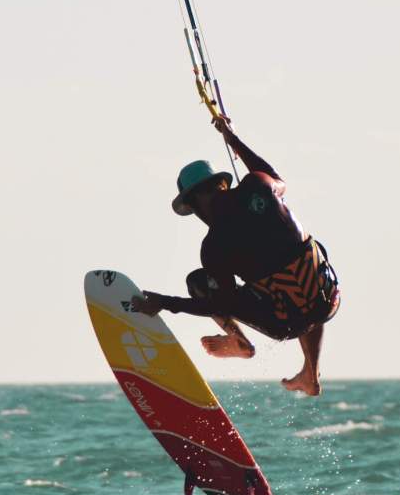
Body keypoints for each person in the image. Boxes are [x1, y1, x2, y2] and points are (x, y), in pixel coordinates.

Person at [131, 118, 340, 396]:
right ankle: (310, 373)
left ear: (195, 202)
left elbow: (221, 302)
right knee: (306, 263)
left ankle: (239, 342)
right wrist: (233, 140)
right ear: (221, 185)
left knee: (200, 283)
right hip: (328, 301)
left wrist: (166, 304)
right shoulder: (259, 185)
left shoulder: (215, 245)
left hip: (287, 321)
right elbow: (273, 175)